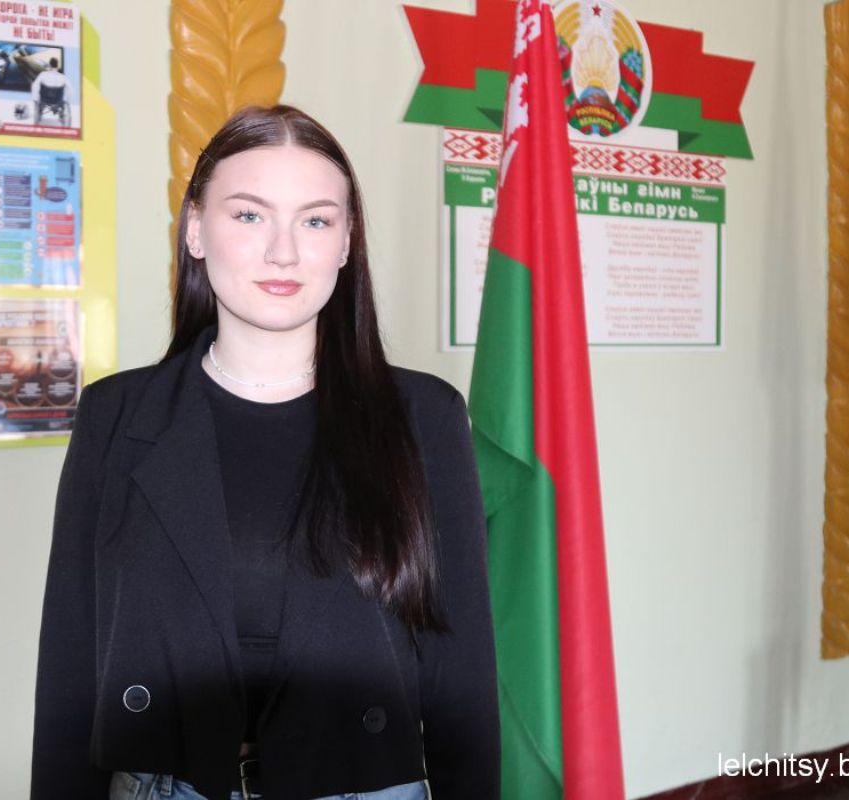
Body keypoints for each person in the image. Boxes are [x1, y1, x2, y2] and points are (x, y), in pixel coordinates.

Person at [31, 105, 499, 800]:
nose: (284, 252)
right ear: (196, 229)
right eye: (249, 215)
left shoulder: (423, 416)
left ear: (346, 243)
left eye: (316, 221)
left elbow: (462, 672)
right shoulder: (116, 416)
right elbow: (71, 662)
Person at [30, 57, 68, 124]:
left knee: (35, 85)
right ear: (57, 66)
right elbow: (69, 89)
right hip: (58, 100)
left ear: (49, 65)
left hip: (44, 99)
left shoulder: (43, 74)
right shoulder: (63, 77)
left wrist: (35, 99)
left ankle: (40, 111)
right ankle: (61, 114)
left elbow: (35, 86)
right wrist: (65, 100)